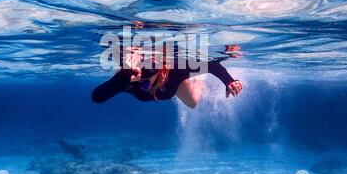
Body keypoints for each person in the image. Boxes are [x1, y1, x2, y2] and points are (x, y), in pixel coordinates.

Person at [91, 45, 243, 108]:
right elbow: (97, 97)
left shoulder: (175, 69)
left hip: (173, 82)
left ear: (159, 67)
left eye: (149, 69)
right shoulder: (127, 80)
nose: (142, 75)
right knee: (192, 104)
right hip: (163, 86)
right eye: (141, 69)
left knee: (193, 102)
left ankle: (197, 78)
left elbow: (211, 64)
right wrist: (124, 76)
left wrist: (229, 81)